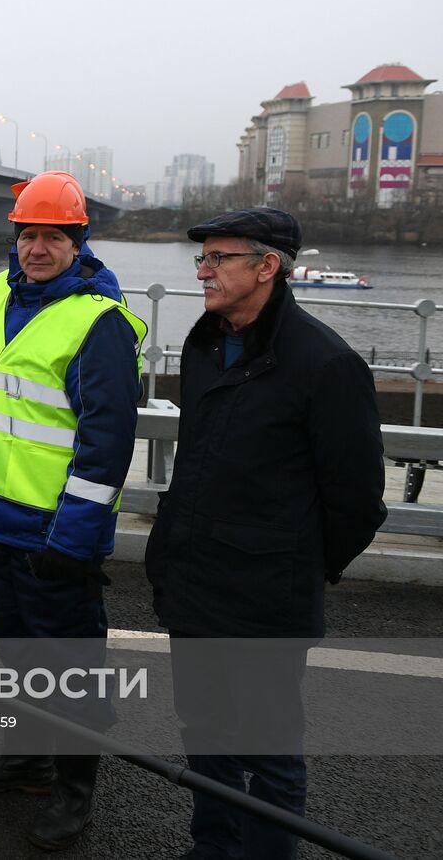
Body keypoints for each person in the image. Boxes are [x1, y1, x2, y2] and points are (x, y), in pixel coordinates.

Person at [145, 208, 386, 860]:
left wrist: (300, 565)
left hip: (266, 602)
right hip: (195, 588)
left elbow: (358, 500)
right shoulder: (204, 345)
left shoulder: (324, 364)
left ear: (266, 266)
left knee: (269, 755)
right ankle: (213, 849)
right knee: (205, 736)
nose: (203, 271)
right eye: (202, 259)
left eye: (218, 258)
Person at [0, 170, 146, 852]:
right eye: (28, 234)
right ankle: (29, 759)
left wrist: (74, 537)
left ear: (77, 241)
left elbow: (106, 443)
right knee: (21, 653)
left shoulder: (100, 322)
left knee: (70, 666)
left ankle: (74, 791)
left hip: (55, 533)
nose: (37, 247)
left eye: (52, 237)